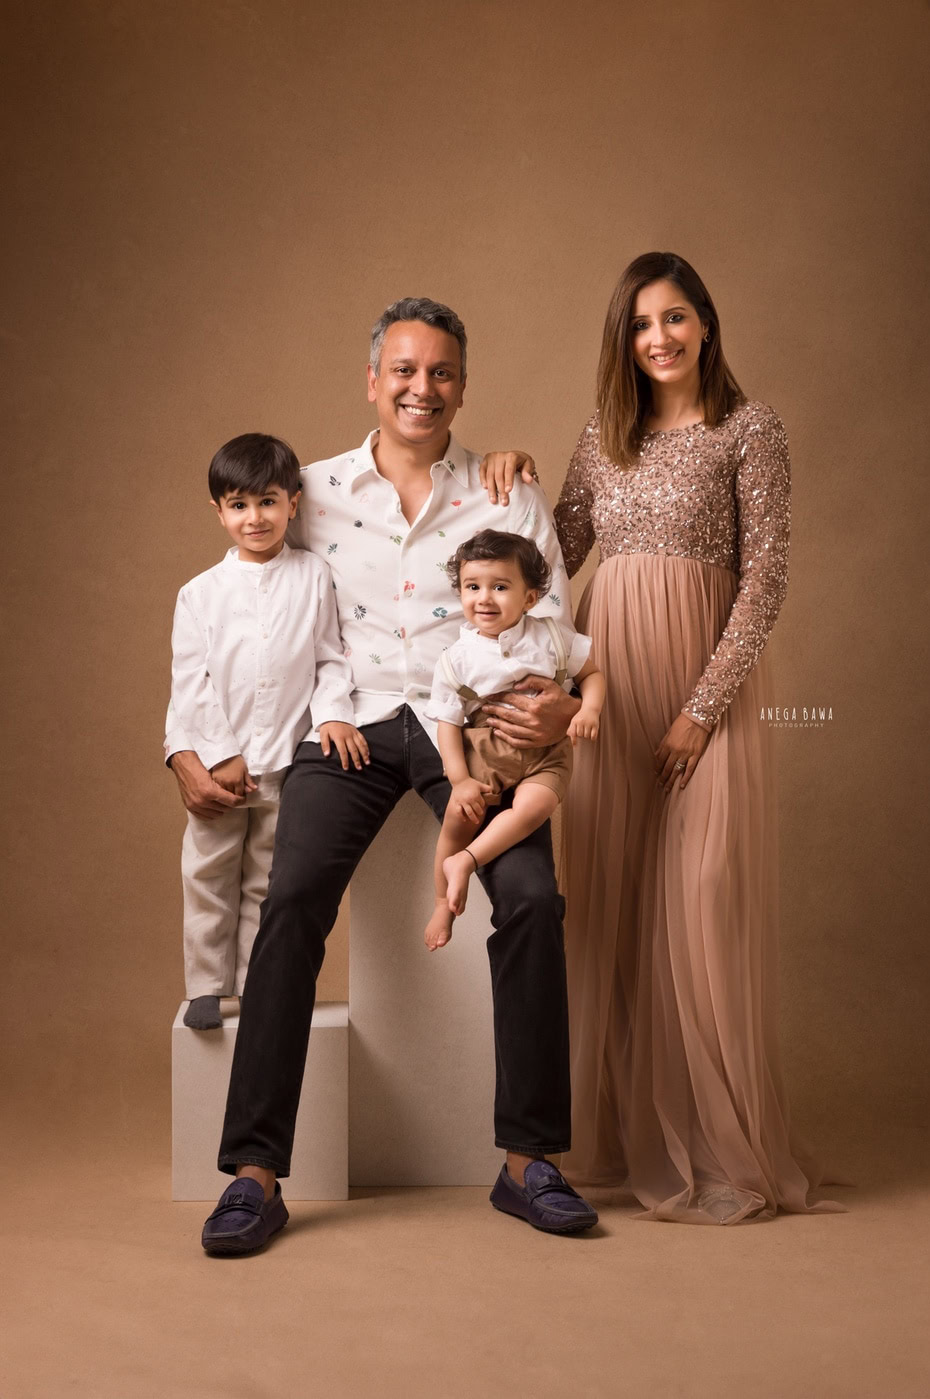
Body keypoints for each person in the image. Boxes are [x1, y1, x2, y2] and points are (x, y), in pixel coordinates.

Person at [166, 298, 600, 1253]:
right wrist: (189, 740)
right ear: (372, 381)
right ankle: (252, 1172)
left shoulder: (503, 492)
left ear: (461, 386)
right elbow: (229, 598)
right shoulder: (309, 489)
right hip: (351, 728)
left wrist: (563, 705)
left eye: (440, 372)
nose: (421, 387)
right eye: (403, 370)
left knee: (530, 896)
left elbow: (558, 622)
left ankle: (529, 1161)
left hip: (476, 734)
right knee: (291, 901)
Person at [485, 253, 842, 1224]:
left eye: (675, 318)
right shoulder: (606, 434)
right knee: (616, 899)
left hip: (699, 686)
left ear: (705, 323)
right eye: (642, 324)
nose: (660, 338)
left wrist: (702, 706)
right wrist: (513, 476)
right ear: (624, 338)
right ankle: (623, 1128)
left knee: (701, 900)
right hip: (609, 687)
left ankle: (719, 1145)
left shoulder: (749, 427)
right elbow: (548, 555)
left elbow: (765, 578)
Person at [169, 434, 364, 1031]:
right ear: (218, 511)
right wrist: (219, 754)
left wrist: (333, 712)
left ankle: (259, 985)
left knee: (267, 881)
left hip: (286, 761)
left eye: (268, 502)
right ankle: (206, 983)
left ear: (293, 503)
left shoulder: (314, 576)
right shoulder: (199, 594)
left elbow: (332, 657)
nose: (255, 518)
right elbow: (191, 682)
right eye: (238, 505)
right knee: (207, 875)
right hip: (221, 769)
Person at [424, 529, 603, 951]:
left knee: (534, 808)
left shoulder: (554, 638)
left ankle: (466, 861)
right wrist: (460, 779)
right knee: (459, 817)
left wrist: (588, 709)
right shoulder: (456, 660)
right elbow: (448, 724)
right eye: (473, 587)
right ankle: (441, 903)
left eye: (499, 587)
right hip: (485, 751)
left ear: (530, 598)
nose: (484, 598)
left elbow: (591, 675)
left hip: (547, 754)